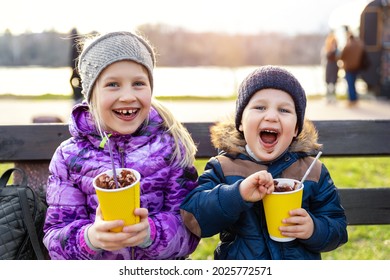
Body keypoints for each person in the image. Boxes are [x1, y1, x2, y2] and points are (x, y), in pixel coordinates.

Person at [43, 31, 200, 260]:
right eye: (113, 84)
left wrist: (152, 234)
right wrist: (90, 238)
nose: (127, 96)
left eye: (138, 83)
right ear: (91, 94)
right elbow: (55, 237)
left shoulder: (171, 147)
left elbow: (191, 230)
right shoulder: (70, 158)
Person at [180, 65, 348, 260]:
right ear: (241, 122)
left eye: (284, 110)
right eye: (259, 107)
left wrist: (314, 229)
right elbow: (194, 219)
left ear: (295, 129)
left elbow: (338, 229)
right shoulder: (224, 167)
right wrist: (237, 193)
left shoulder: (313, 171)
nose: (271, 116)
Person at [340, 27, 365, 107]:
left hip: (349, 68)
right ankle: (355, 99)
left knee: (350, 84)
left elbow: (342, 56)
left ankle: (352, 100)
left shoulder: (348, 45)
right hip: (356, 67)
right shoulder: (359, 45)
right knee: (353, 84)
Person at [322, 30, 339, 104]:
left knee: (334, 83)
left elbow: (338, 57)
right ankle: (328, 98)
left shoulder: (336, 50)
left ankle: (333, 97)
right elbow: (325, 58)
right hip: (329, 66)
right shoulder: (327, 49)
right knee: (328, 82)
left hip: (334, 66)